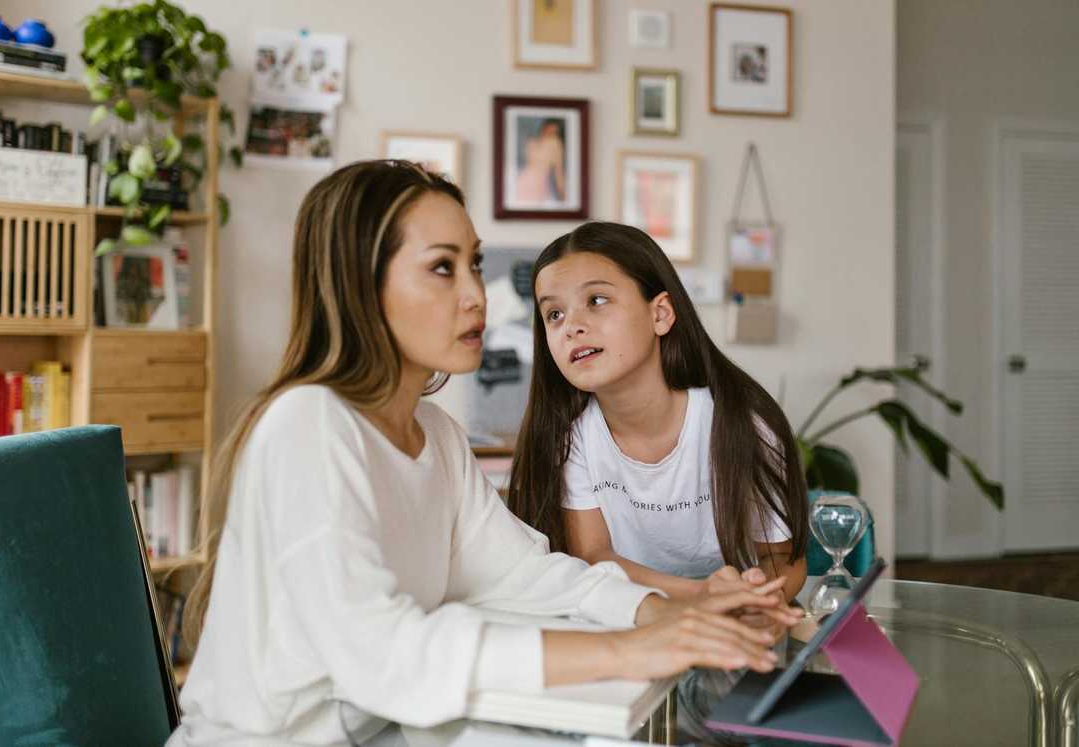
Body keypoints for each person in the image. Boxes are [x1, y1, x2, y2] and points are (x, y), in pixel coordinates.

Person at [168, 161, 801, 746]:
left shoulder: (435, 435)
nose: (476, 294)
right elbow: (383, 651)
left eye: (474, 265)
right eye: (443, 267)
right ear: (361, 282)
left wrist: (661, 614)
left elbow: (528, 573)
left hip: (384, 731)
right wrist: (634, 650)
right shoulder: (307, 425)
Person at [509, 222, 809, 634]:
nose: (571, 326)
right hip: (626, 624)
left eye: (596, 300)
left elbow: (782, 558)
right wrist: (701, 596)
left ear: (661, 314)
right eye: (554, 314)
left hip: (731, 628)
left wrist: (761, 598)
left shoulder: (742, 421)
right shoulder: (570, 440)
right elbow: (594, 556)